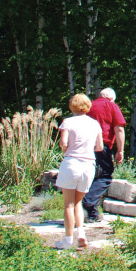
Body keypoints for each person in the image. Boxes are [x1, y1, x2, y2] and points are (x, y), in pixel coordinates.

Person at [55, 93, 103, 250]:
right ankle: (81, 234)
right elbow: (100, 147)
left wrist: (67, 148)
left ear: (72, 105)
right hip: (89, 165)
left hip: (72, 163)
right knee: (78, 202)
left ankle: (68, 240)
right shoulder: (94, 124)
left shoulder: (67, 122)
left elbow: (63, 143)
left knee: (68, 204)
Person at [82, 87, 126, 223]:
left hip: (84, 146)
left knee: (92, 177)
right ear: (112, 98)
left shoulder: (89, 106)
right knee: (105, 176)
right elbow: (119, 129)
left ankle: (92, 214)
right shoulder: (111, 106)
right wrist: (120, 150)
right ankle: (86, 201)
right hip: (102, 146)